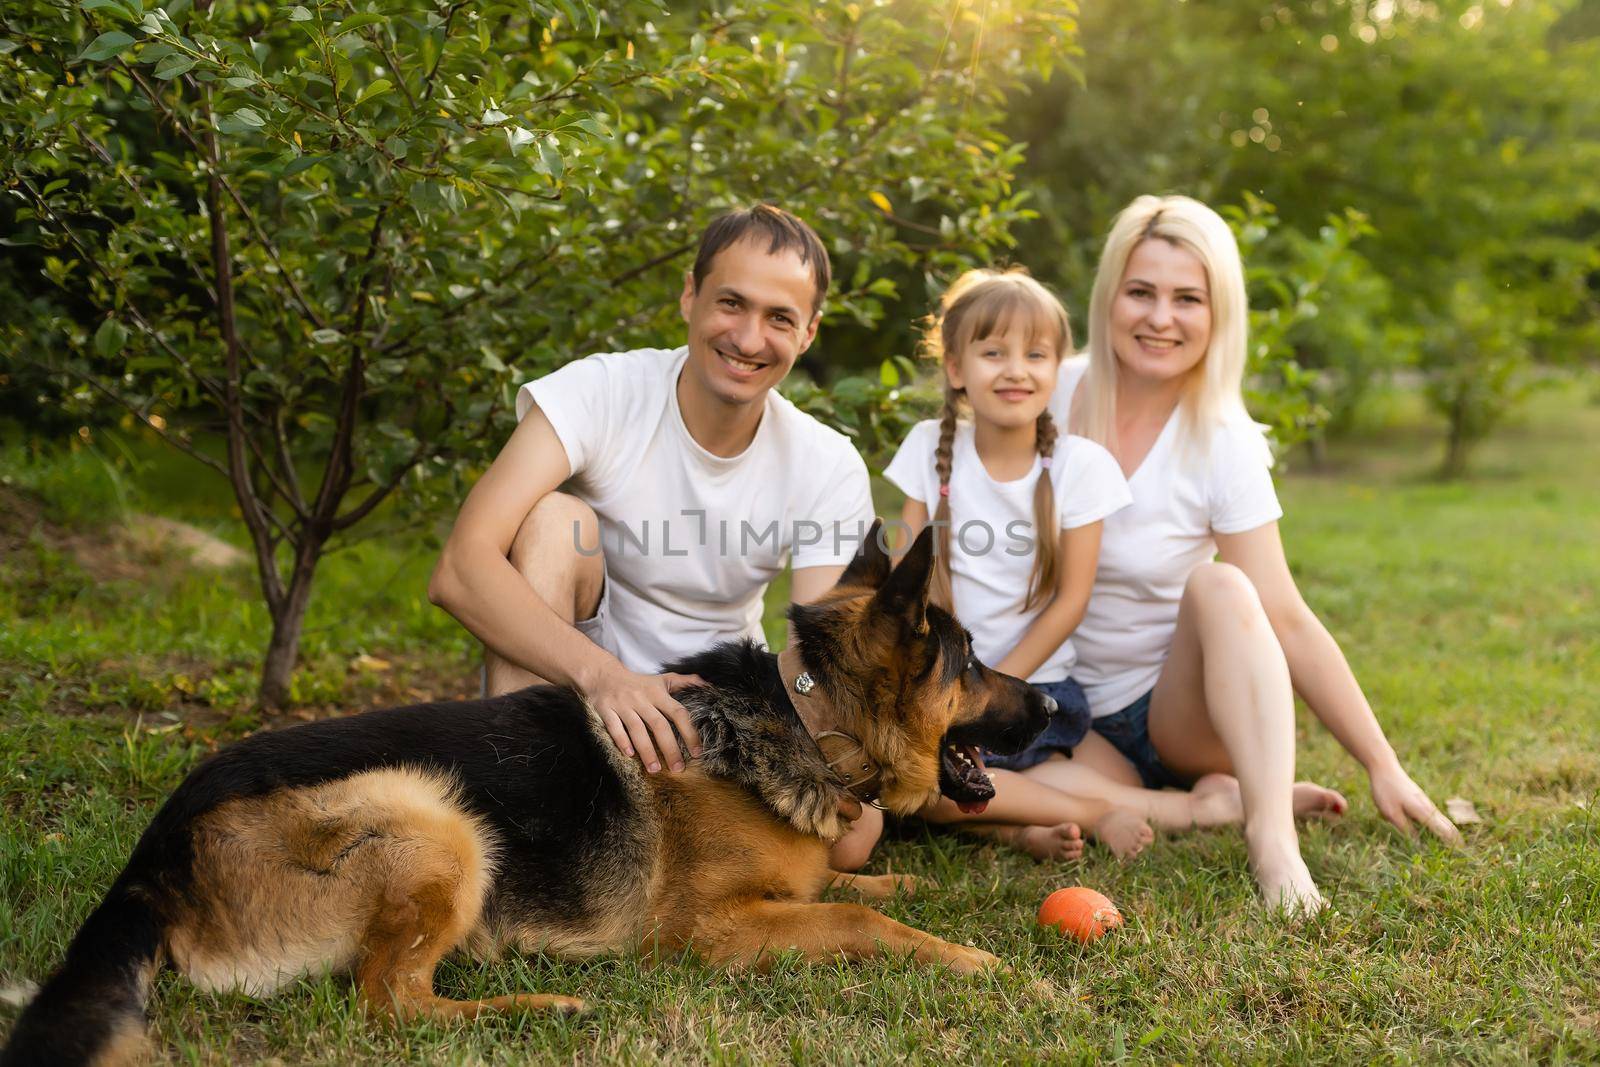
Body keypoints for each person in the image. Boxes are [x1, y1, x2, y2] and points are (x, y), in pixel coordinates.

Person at [1029, 194, 1461, 912]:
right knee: (991, 791)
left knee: (1224, 586)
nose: (1160, 318)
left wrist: (1383, 765)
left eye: (1187, 298)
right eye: (1141, 292)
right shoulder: (1051, 390)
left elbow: (1286, 617)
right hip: (1068, 712)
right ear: (1110, 296)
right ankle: (1208, 803)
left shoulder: (1222, 438)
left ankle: (1269, 833)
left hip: (1176, 714)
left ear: (1218, 311)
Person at [428, 204, 874, 777]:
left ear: (808, 332)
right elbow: (461, 568)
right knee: (552, 520)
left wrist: (806, 741)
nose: (748, 338)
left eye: (780, 318)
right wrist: (607, 678)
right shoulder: (602, 391)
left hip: (720, 708)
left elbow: (815, 659)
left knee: (856, 835)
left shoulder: (826, 462)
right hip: (574, 688)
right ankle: (519, 779)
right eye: (731, 303)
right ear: (691, 295)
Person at [829, 267, 1248, 873]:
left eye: (1035, 354)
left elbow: (1070, 602)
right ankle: (1151, 814)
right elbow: (906, 581)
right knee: (930, 793)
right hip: (947, 693)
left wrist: (995, 684)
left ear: (1059, 371)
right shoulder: (927, 447)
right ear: (955, 368)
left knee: (1108, 776)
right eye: (993, 352)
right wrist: (956, 688)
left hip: (1034, 690)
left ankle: (1060, 813)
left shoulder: (1081, 467)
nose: (1015, 369)